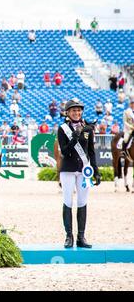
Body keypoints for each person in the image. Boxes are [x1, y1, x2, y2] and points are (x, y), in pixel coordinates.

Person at [58, 98, 101, 249]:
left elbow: (91, 152)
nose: (77, 113)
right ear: (68, 113)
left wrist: (96, 170)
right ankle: (68, 236)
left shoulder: (88, 129)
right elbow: (64, 151)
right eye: (73, 110)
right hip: (68, 170)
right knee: (68, 201)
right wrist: (74, 137)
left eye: (78, 110)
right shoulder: (62, 128)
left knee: (82, 202)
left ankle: (81, 236)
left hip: (84, 170)